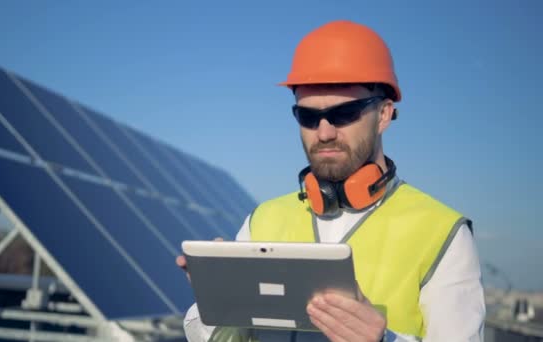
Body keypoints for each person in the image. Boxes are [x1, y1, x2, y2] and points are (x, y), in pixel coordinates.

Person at [176, 20, 485, 342]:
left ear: (383, 115)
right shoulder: (263, 220)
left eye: (344, 114)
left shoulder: (442, 234)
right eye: (308, 117)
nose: (324, 133)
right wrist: (216, 301)